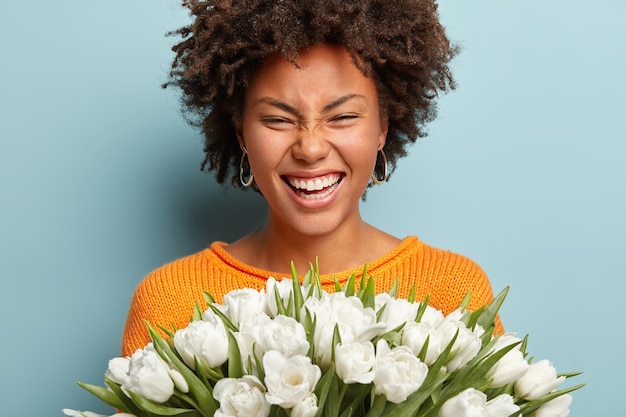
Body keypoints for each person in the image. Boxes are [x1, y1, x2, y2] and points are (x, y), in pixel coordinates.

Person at [121, 0, 503, 357]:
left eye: (342, 117)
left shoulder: (453, 292)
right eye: (277, 120)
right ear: (241, 133)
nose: (310, 148)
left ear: (382, 127)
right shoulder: (169, 303)